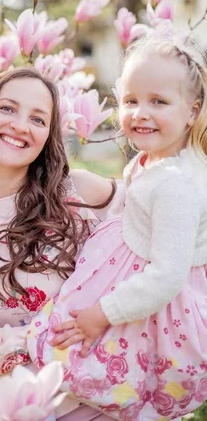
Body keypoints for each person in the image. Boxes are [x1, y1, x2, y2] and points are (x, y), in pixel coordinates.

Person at [27, 34, 207, 421]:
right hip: (126, 276)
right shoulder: (155, 160)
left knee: (116, 364)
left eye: (158, 101)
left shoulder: (177, 184)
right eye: (131, 101)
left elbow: (166, 277)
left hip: (147, 301)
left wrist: (103, 313)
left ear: (192, 111)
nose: (140, 112)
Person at [0, 66, 118, 421]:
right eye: (8, 108)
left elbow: (166, 222)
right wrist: (33, 341)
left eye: (38, 119)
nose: (20, 125)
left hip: (114, 398)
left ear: (48, 137)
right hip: (27, 406)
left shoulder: (79, 193)